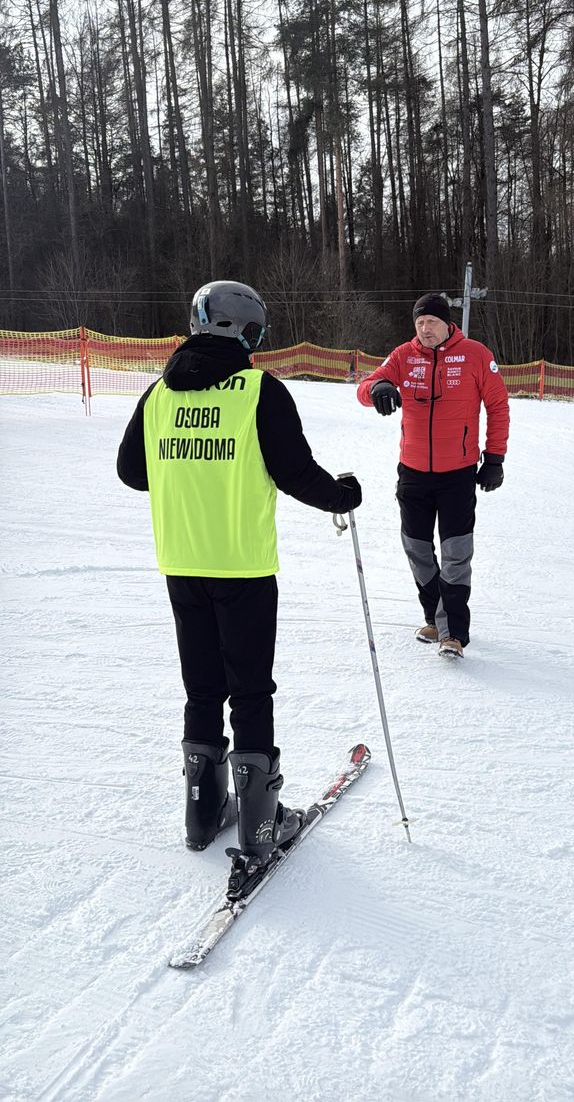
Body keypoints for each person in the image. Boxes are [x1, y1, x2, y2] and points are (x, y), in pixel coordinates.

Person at [117, 280, 361, 897]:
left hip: (182, 560)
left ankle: (204, 811)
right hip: (242, 567)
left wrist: (187, 472)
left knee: (202, 685)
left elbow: (131, 471)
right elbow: (295, 472)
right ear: (243, 333)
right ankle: (258, 828)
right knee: (250, 689)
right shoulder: (257, 391)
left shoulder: (159, 392)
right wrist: (342, 493)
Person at [356, 291, 509, 659]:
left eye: (432, 322)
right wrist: (378, 387)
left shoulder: (475, 354)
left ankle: (453, 632)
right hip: (412, 473)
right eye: (420, 323)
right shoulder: (404, 356)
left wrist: (495, 458)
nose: (425, 330)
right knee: (418, 549)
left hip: (457, 474)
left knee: (456, 554)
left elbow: (498, 406)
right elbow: (364, 389)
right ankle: (434, 617)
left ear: (447, 324)